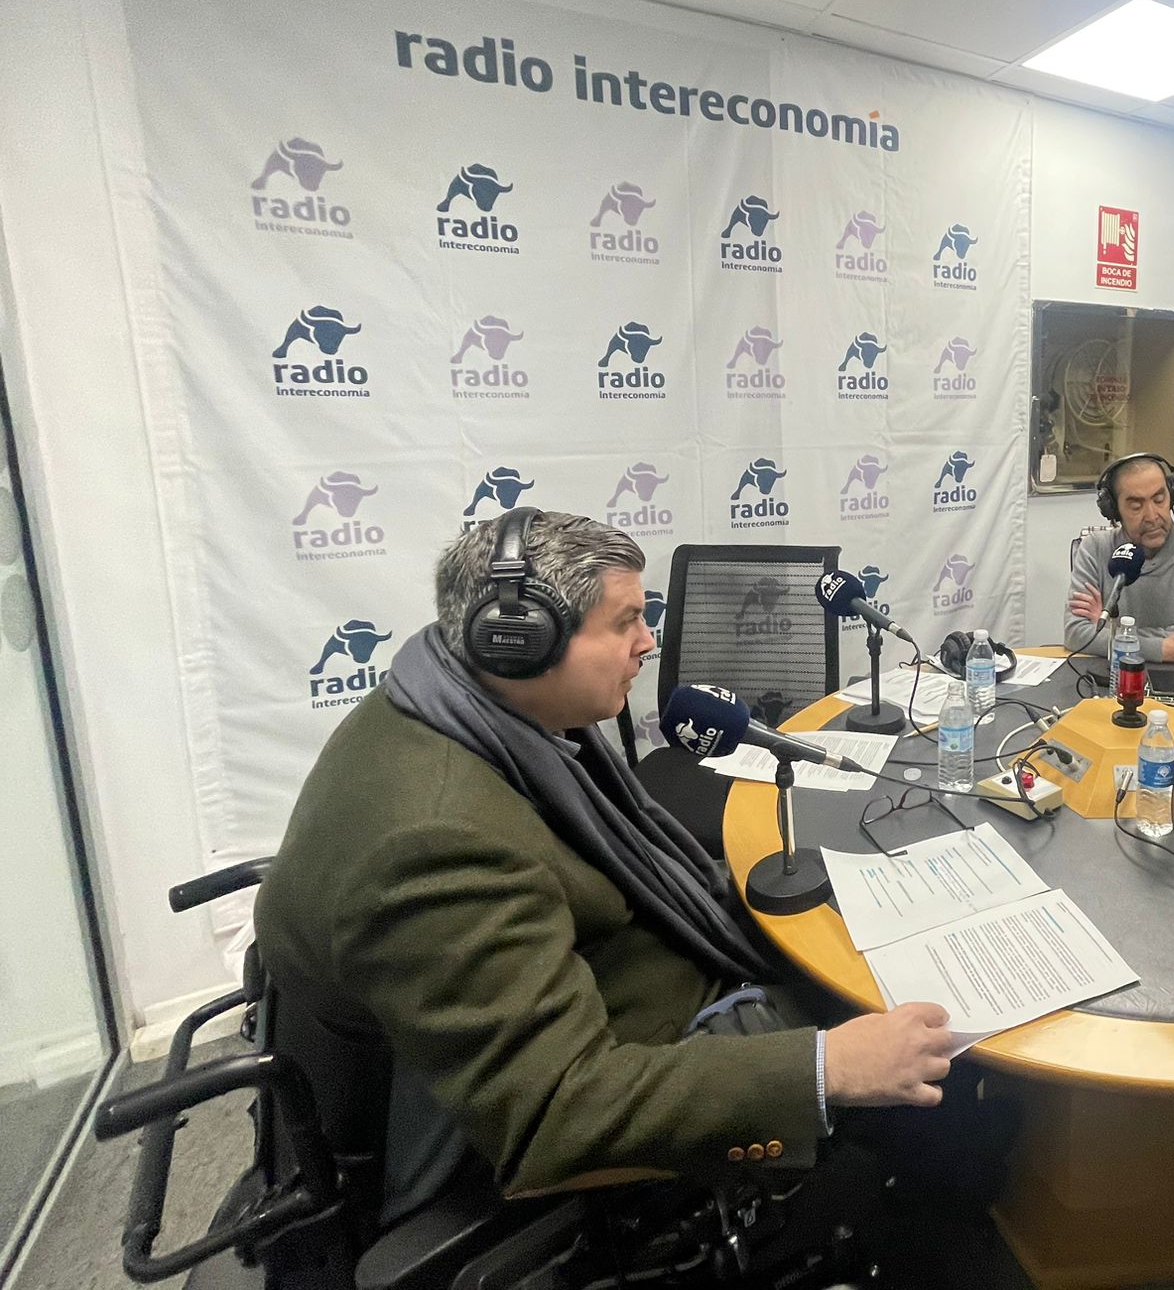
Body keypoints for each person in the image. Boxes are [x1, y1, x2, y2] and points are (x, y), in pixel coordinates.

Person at [256, 510, 972, 1221]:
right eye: (625, 622)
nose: (649, 641)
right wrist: (827, 1068)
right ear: (520, 643)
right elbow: (555, 1112)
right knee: (950, 1076)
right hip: (639, 1053)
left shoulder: (453, 702)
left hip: (606, 971)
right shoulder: (436, 841)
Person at [1065, 453, 1174, 663]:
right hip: (1110, 674)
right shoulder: (1094, 547)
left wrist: (1110, 629)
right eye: (1136, 506)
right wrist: (1161, 648)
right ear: (1114, 510)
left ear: (1172, 496)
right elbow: (1075, 634)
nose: (1152, 516)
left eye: (1159, 500)